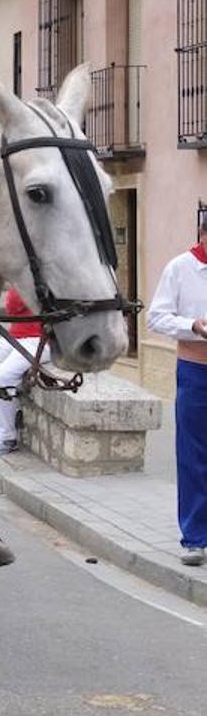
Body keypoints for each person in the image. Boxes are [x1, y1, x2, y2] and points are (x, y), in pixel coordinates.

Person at [148, 211, 207, 567]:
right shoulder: (180, 268)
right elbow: (156, 317)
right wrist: (193, 325)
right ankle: (196, 538)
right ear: (203, 234)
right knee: (193, 455)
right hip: (196, 372)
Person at [0, 288, 42, 456]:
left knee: (2, 377)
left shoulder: (38, 274)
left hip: (41, 340)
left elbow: (12, 304)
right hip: (17, 338)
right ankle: (3, 415)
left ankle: (8, 436)